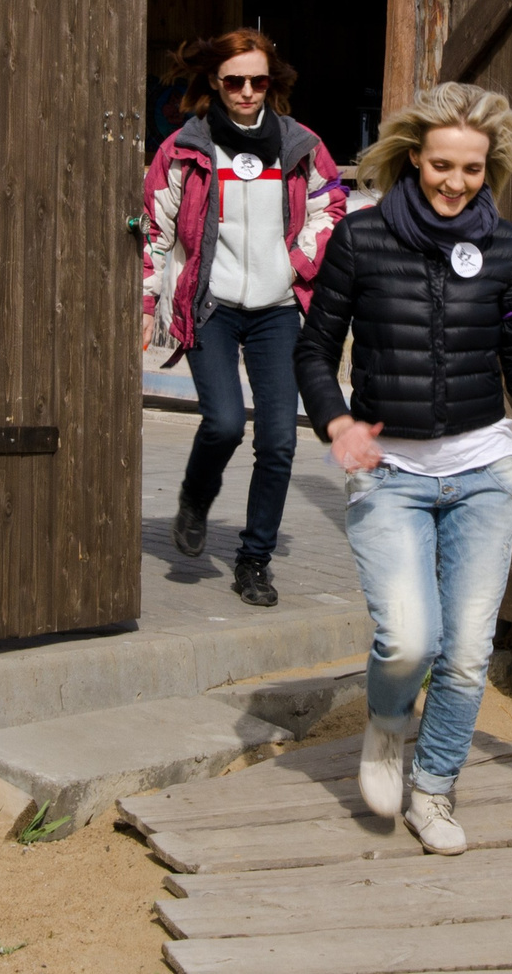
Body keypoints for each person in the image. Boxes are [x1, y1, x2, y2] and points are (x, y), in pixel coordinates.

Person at [295, 83, 512, 854]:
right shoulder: (362, 239)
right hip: (392, 475)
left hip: (484, 473)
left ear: (491, 169)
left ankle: (435, 790)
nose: (454, 182)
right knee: (409, 640)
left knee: (468, 650)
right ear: (415, 158)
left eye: (471, 169)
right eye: (442, 164)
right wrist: (338, 422)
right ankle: (385, 728)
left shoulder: (507, 249)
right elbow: (312, 350)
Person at [140, 29, 346, 607]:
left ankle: (254, 559)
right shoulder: (183, 149)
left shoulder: (301, 145)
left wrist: (297, 261)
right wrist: (148, 302)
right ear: (215, 83)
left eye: (259, 80)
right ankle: (195, 498)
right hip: (212, 307)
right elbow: (155, 228)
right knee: (225, 423)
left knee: (279, 441)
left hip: (278, 311)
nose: (248, 91)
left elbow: (332, 201)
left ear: (272, 84)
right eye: (235, 81)